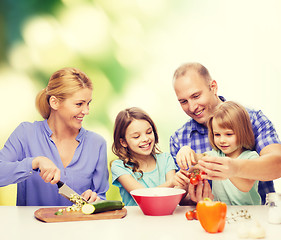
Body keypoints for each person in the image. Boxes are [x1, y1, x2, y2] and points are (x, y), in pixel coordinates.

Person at [170, 62, 281, 204]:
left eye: (196, 96)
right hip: (212, 215)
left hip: (257, 218)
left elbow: (278, 164)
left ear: (213, 87)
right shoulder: (179, 138)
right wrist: (192, 198)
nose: (192, 107)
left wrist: (235, 168)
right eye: (183, 101)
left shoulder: (252, 119)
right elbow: (179, 196)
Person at [0, 67, 109, 206]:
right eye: (79, 104)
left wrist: (96, 199)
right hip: (31, 227)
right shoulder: (25, 133)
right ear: (54, 102)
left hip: (80, 226)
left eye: (88, 104)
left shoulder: (97, 143)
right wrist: (34, 162)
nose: (86, 111)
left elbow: (101, 197)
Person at [175, 101, 261, 205]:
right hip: (220, 212)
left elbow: (246, 186)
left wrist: (227, 169)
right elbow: (196, 157)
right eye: (217, 134)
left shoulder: (251, 157)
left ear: (243, 132)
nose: (222, 140)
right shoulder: (215, 155)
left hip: (247, 213)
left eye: (228, 134)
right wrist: (186, 150)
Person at [111, 107, 177, 206]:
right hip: (135, 220)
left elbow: (174, 195)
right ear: (123, 142)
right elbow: (143, 196)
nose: (145, 139)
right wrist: (172, 182)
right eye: (136, 137)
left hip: (165, 216)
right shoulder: (119, 167)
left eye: (149, 132)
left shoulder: (166, 159)